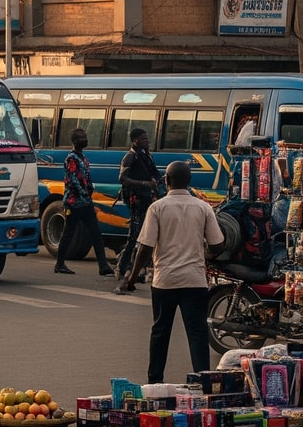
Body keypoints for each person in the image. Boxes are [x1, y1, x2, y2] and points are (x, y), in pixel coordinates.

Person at [129, 161, 224, 382]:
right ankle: (202, 380)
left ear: (166, 180)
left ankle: (155, 381)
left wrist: (132, 277)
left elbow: (145, 247)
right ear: (189, 181)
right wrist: (203, 254)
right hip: (195, 280)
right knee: (198, 333)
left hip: (165, 281)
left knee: (160, 332)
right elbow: (218, 244)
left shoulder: (158, 208)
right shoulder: (203, 207)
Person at [54, 129, 114, 277]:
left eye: (85, 137)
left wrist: (89, 192)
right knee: (69, 233)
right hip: (74, 202)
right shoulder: (71, 158)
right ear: (74, 141)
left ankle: (103, 265)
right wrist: (84, 193)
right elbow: (73, 180)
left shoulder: (82, 157)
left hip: (85, 202)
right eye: (81, 137)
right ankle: (59, 264)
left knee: (95, 234)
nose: (84, 139)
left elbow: (86, 177)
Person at [115, 128, 164, 292]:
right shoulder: (130, 157)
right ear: (135, 140)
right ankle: (122, 268)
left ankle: (136, 269)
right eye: (144, 139)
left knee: (145, 235)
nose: (147, 141)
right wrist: (143, 184)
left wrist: (161, 180)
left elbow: (154, 173)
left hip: (146, 199)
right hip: (135, 200)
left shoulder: (146, 155)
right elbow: (123, 179)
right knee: (135, 235)